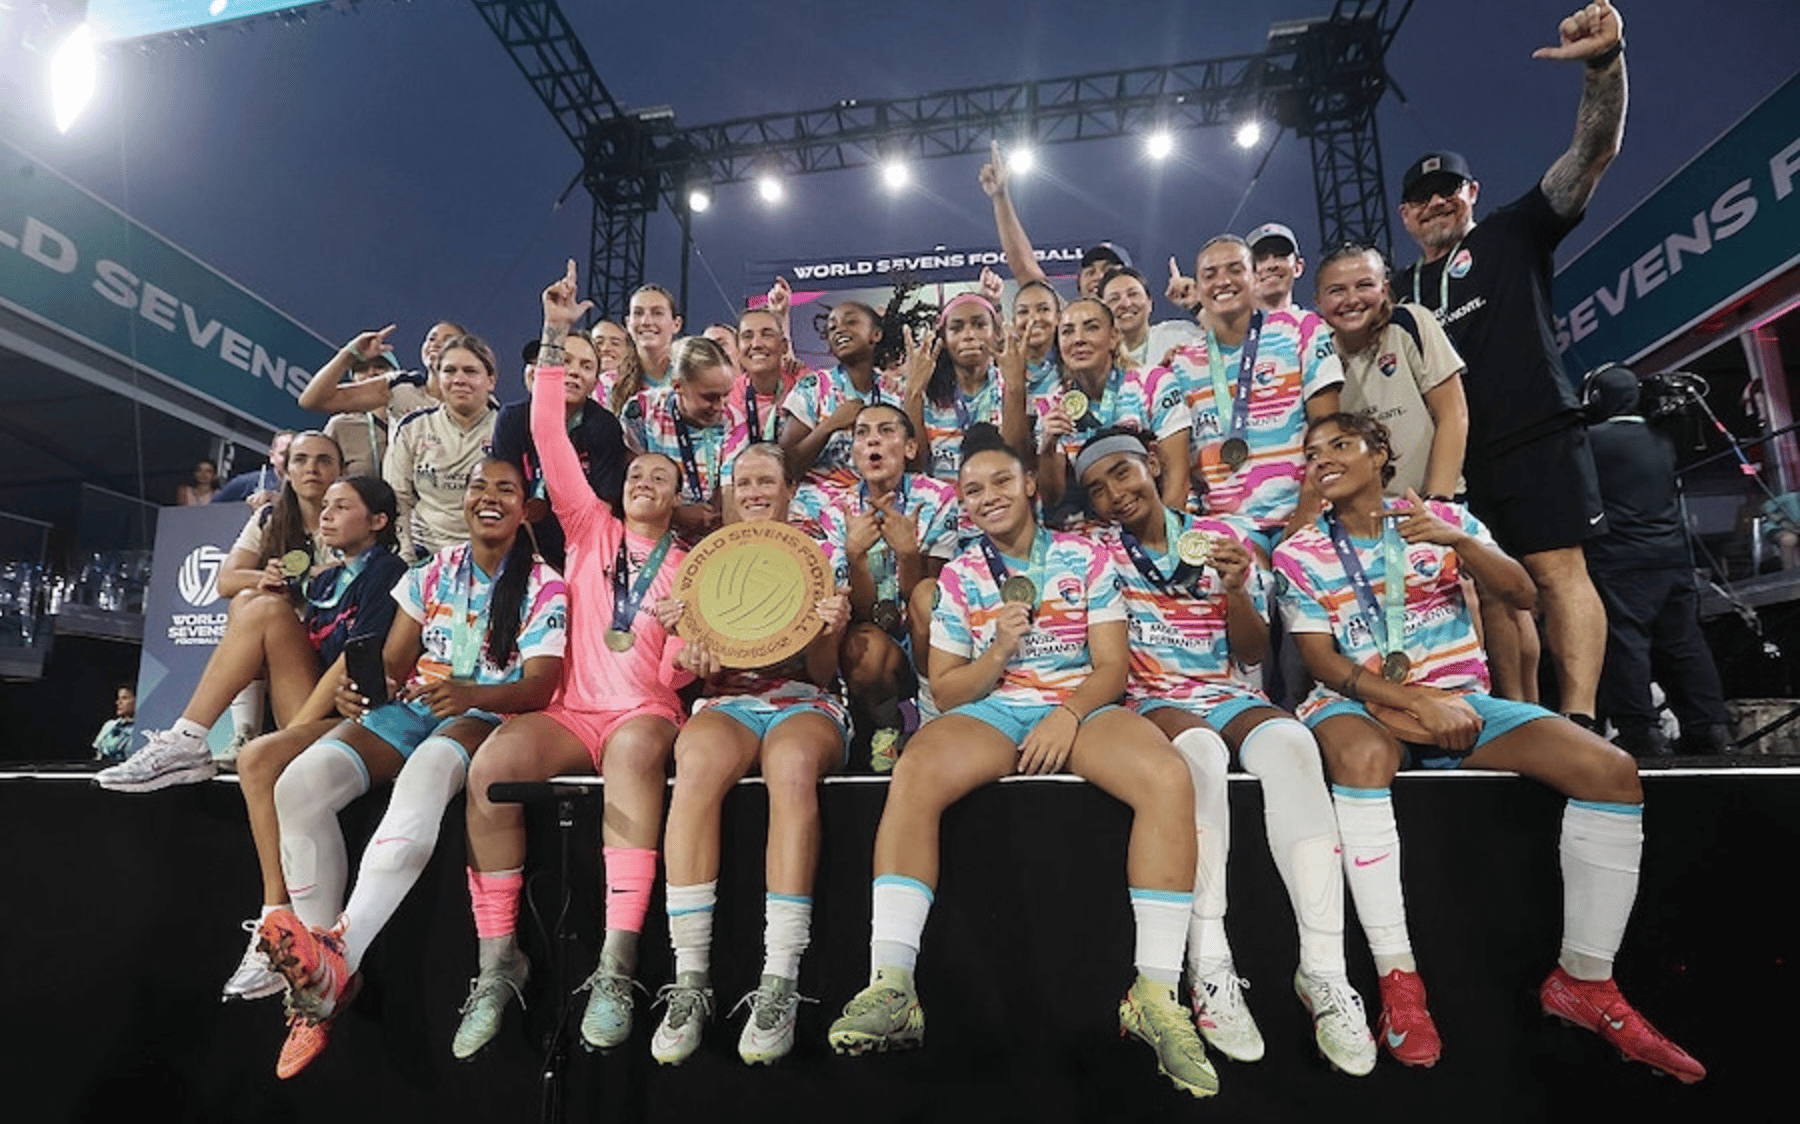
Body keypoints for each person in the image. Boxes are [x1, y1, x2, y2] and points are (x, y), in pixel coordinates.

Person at [1272, 412, 1704, 1083]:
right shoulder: (1298, 551)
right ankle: (1399, 984)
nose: (1321, 458)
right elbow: (1321, 662)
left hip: (1463, 700)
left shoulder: (1447, 522)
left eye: (1339, 445)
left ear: (1381, 452)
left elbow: (1524, 594)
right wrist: (1412, 701)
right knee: (1360, 758)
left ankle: (1586, 981)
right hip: (1360, 704)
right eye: (1310, 452)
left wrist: (1457, 541)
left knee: (1612, 771)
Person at [826, 425, 1218, 1100]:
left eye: (1002, 482)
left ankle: (1154, 995)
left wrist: (1066, 716)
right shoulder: (962, 575)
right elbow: (946, 691)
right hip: (994, 709)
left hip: (1081, 705)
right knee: (916, 770)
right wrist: (999, 652)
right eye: (972, 490)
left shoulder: (1084, 557)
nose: (988, 497)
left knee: (1166, 775)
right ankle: (891, 986)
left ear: (1031, 486)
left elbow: (1112, 667)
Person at [1076, 428, 1376, 1077]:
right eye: (1097, 489)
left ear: (1154, 465)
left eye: (1123, 474)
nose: (1115, 494)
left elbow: (1249, 653)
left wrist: (1239, 589)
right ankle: (1209, 965)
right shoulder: (1094, 555)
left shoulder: (1221, 538)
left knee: (1295, 743)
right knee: (1202, 755)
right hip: (1148, 697)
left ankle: (1325, 971)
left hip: (1226, 689)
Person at [257, 457, 568, 1079]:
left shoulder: (545, 583)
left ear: (525, 507)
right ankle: (320, 976)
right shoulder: (433, 571)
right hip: (418, 708)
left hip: (487, 716)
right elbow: (396, 663)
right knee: (297, 786)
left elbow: (540, 686)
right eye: (478, 486)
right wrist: (361, 693)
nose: (488, 497)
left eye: (504, 489)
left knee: (428, 769)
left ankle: (341, 952)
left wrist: (473, 695)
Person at [451, 262, 689, 1060]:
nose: (649, 480)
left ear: (678, 494)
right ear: (620, 486)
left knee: (631, 757)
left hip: (644, 711)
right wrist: (556, 335)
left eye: (665, 476)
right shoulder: (587, 527)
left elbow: (692, 669)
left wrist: (691, 642)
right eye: (640, 473)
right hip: (569, 711)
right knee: (491, 769)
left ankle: (617, 965)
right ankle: (498, 960)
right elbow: (547, 433)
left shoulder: (694, 564)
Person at [1390, 0, 1630, 725]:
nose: (1434, 203)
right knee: (1495, 590)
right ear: (1405, 216)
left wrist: (1603, 64)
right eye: (1419, 198)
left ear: (1472, 193)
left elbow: (1592, 153)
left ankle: (1582, 719)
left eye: (1447, 190)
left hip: (1536, 431)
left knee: (1559, 572)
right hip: (1458, 460)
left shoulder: (1513, 232)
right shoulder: (1397, 291)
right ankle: (1521, 718)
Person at [648, 442, 852, 1066]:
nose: (756, 490)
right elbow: (686, 674)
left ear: (791, 487)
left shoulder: (821, 553)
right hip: (729, 702)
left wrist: (832, 631)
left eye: (767, 479)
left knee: (791, 767)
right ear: (730, 490)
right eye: (744, 481)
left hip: (806, 699)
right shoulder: (704, 564)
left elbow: (823, 671)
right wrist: (686, 646)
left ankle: (779, 982)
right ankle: (690, 982)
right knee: (696, 764)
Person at [216, 476, 409, 1003]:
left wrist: (297, 728)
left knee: (258, 758)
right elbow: (227, 584)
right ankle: (189, 734)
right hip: (310, 708)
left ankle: (276, 921)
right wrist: (273, 581)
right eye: (324, 506)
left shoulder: (389, 574)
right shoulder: (323, 581)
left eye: (342, 507)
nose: (325, 515)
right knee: (257, 606)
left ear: (378, 522)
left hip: (358, 713)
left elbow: (356, 659)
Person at [97, 432, 348, 792]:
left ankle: (190, 739)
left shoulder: (359, 516)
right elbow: (226, 579)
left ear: (342, 470)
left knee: (260, 606)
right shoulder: (270, 518)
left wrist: (308, 578)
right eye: (301, 460)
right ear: (286, 471)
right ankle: (203, 738)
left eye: (324, 460)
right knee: (249, 599)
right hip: (292, 667)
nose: (312, 468)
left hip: (335, 678)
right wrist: (268, 576)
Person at [1583, 365, 1732, 757]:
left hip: (1620, 561)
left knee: (1627, 645)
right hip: (1672, 558)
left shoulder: (1590, 441)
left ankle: (1641, 731)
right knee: (1685, 643)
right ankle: (1710, 725)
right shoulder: (1662, 438)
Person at [1168, 235, 1342, 551]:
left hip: (1309, 513)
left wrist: (1304, 517)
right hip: (1228, 527)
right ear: (1199, 285)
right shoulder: (1181, 364)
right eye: (1210, 274)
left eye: (1235, 269)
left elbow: (1329, 434)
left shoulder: (1301, 329)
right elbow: (1183, 466)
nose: (1223, 281)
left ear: (1254, 277)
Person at [837, 402, 962, 770]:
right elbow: (857, 610)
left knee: (927, 597)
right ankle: (888, 724)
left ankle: (930, 713)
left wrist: (909, 555)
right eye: (862, 433)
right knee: (862, 649)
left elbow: (936, 598)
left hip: (927, 632)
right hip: (877, 629)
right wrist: (855, 557)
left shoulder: (938, 498)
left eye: (886, 430)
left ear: (910, 448)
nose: (873, 439)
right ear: (854, 451)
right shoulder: (836, 508)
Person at [1315, 244, 1469, 500]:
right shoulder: (1315, 354)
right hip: (1363, 517)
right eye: (1337, 290)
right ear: (1318, 302)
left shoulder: (1411, 323)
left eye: (1364, 285)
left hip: (1433, 501)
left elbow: (1453, 414)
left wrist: (1439, 501)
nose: (1352, 299)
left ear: (1384, 289)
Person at [1032, 297, 1190, 527]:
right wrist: (1047, 444)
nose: (1078, 340)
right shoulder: (1052, 406)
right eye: (1067, 332)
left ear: (1114, 337)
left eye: (1091, 327)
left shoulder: (1153, 383)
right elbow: (1051, 497)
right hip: (1093, 533)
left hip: (1157, 522)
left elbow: (1177, 477)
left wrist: (1164, 539)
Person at [490, 332, 628, 571]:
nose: (574, 371)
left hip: (580, 551)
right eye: (565, 361)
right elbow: (503, 492)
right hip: (520, 541)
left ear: (595, 382)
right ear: (546, 370)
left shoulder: (605, 427)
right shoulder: (512, 419)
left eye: (586, 366)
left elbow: (601, 509)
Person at [387, 333, 502, 561]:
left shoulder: (507, 429)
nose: (459, 379)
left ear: (491, 381)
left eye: (470, 371)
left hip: (489, 554)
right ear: (438, 378)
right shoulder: (413, 427)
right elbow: (398, 498)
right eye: (449, 371)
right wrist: (406, 556)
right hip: (424, 552)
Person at [620, 335, 735, 542]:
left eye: (725, 395)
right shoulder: (643, 411)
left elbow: (729, 493)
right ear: (677, 386)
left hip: (711, 538)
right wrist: (676, 513)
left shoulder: (734, 420)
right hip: (652, 535)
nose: (720, 406)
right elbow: (630, 481)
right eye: (709, 397)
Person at [978, 140, 1128, 298]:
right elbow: (1025, 269)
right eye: (1089, 273)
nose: (1098, 277)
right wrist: (1000, 197)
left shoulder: (1143, 321)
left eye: (1109, 270)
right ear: (1078, 286)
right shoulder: (1067, 320)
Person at [1098, 266, 1201, 374]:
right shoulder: (1097, 359)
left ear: (1150, 303)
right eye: (1114, 299)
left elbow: (1218, 347)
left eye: (1133, 294)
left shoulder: (1179, 333)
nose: (1126, 304)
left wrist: (1196, 306)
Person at [212, 431, 292, 507]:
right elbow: (210, 510)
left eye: (294, 455)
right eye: (284, 454)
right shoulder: (247, 482)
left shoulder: (303, 488)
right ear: (272, 457)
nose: (289, 459)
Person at [1244, 222, 1307, 315]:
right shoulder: (1230, 328)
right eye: (1260, 259)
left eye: (1280, 255)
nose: (1271, 265)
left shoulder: (1317, 327)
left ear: (1298, 267)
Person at [92, 684, 136, 763]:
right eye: (118, 698)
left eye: (124, 698)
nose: (118, 702)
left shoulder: (143, 727)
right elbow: (98, 757)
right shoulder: (109, 725)